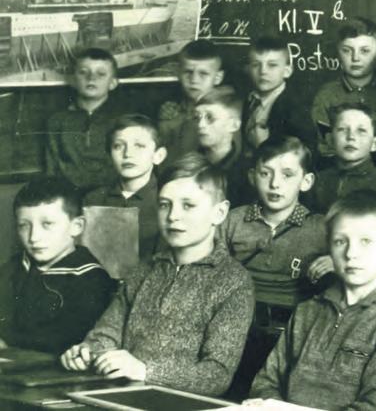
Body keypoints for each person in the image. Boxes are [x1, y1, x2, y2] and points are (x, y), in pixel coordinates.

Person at [60, 153, 254, 396]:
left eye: (188, 205)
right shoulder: (145, 268)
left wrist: (145, 371)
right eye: (164, 204)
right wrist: (87, 351)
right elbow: (107, 333)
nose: (173, 216)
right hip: (120, 394)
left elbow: (216, 375)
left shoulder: (234, 282)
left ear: (220, 212)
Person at [248, 191, 376, 410]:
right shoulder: (307, 310)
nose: (351, 253)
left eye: (366, 241)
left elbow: (375, 407)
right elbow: (266, 382)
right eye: (340, 241)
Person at [217, 135, 327, 397]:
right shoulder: (233, 220)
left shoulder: (321, 228)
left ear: (306, 181)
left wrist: (335, 260)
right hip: (236, 324)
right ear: (252, 176)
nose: (275, 183)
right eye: (265, 173)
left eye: (288, 175)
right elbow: (213, 270)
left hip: (292, 331)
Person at [0, 177, 116, 353]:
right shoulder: (12, 269)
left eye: (47, 224)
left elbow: (65, 340)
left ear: (77, 226)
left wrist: (7, 344)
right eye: (24, 226)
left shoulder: (92, 280)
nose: (34, 237)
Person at [84, 114, 167, 261]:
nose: (128, 154)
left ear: (158, 156)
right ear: (109, 155)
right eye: (118, 146)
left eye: (139, 146)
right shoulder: (93, 200)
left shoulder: (166, 200)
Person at [310, 17, 376, 161]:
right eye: (347, 51)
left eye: (365, 51)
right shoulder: (326, 95)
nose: (355, 58)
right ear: (338, 51)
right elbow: (324, 148)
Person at [45, 47, 126, 192]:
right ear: (72, 80)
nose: (91, 78)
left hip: (111, 195)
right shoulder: (57, 121)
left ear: (113, 83)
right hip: (68, 194)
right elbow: (51, 167)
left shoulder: (123, 120)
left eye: (101, 74)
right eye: (83, 72)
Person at [242, 36, 316, 155]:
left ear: (287, 71)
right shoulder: (249, 100)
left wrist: (264, 144)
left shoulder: (295, 108)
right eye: (256, 65)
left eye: (272, 65)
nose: (263, 71)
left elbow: (308, 153)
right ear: (248, 69)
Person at [311, 103, 376, 214]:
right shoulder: (319, 180)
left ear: (375, 144)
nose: (351, 137)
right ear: (330, 139)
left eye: (361, 131)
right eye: (342, 129)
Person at [158, 39, 225, 165]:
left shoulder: (224, 114)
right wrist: (166, 126)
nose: (194, 80)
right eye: (188, 72)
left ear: (218, 77)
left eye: (203, 74)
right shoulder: (173, 109)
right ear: (178, 73)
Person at [194, 86, 253, 206]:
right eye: (197, 117)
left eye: (210, 118)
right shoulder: (188, 166)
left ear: (234, 125)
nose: (200, 124)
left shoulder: (246, 175)